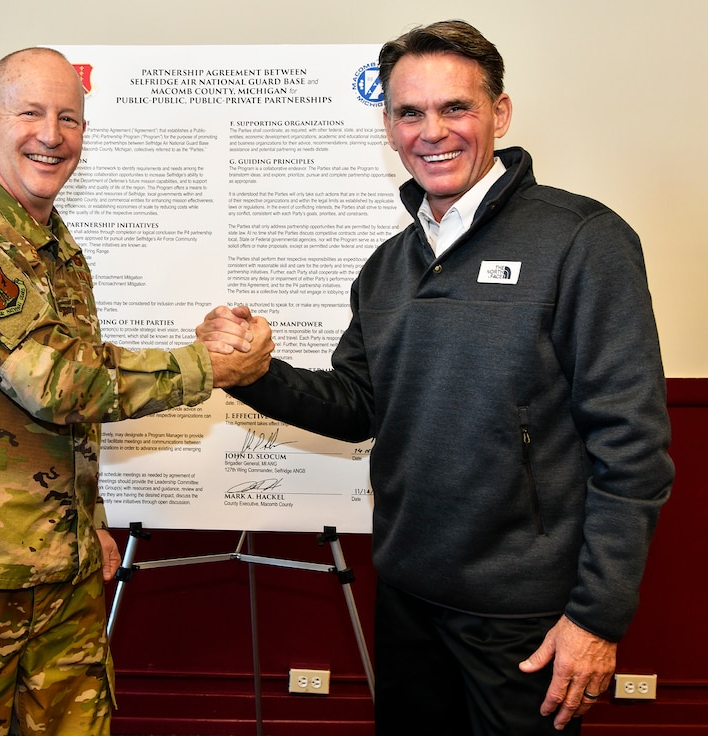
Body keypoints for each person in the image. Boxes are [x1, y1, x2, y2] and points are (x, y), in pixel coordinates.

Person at [198, 20, 674, 735]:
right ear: (388, 125)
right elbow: (357, 405)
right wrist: (254, 374)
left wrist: (596, 618)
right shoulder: (389, 266)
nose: (433, 131)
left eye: (456, 108)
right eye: (410, 112)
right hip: (408, 596)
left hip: (525, 617)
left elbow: (632, 447)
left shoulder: (583, 241)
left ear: (499, 113)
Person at [0, 47, 272, 736]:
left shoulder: (57, 252)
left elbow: (69, 417)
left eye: (69, 117)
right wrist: (206, 365)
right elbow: (54, 379)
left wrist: (87, 518)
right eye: (30, 112)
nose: (52, 133)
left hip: (54, 578)